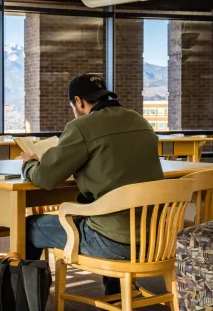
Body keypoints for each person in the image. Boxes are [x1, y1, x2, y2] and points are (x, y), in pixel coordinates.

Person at [21, 74, 164, 295]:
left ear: (78, 101)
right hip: (156, 237)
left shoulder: (82, 126)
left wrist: (29, 165)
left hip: (115, 242)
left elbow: (46, 178)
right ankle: (116, 294)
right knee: (108, 214)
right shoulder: (139, 120)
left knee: (29, 227)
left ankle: (25, 301)